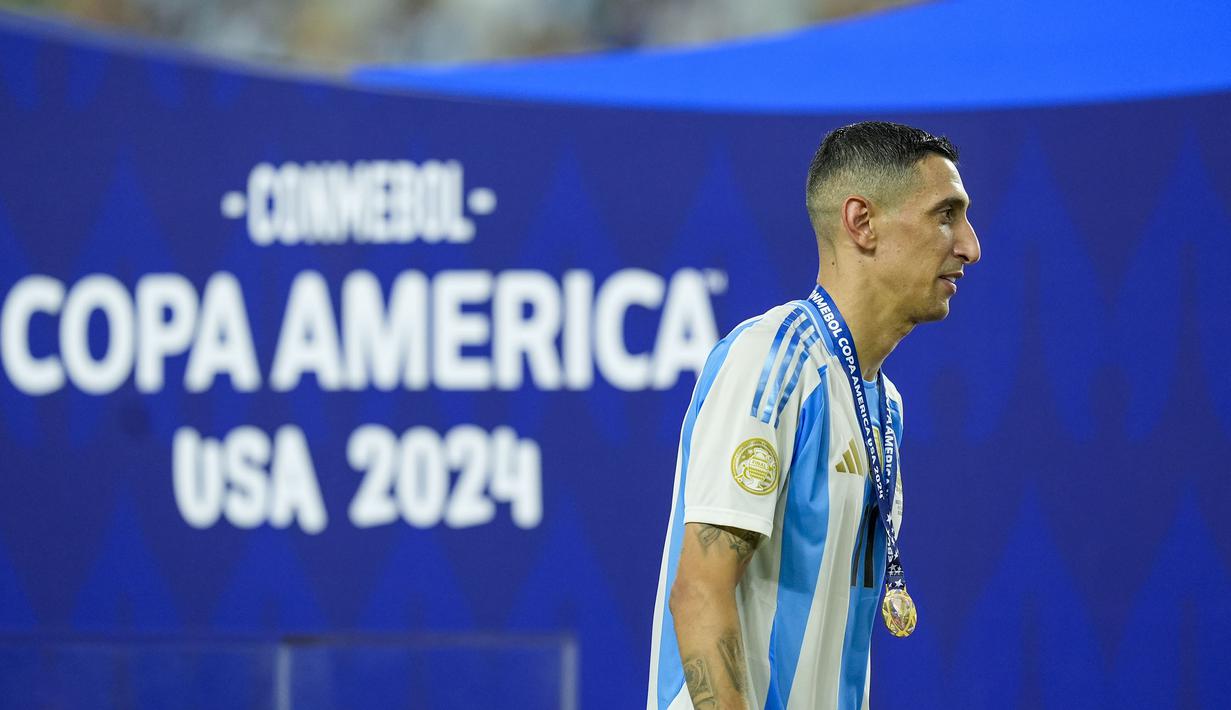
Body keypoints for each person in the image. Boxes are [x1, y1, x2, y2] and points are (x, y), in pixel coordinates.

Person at [646, 121, 981, 709]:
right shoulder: (773, 359)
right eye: (945, 215)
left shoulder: (885, 407)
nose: (970, 246)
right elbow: (699, 590)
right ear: (862, 223)